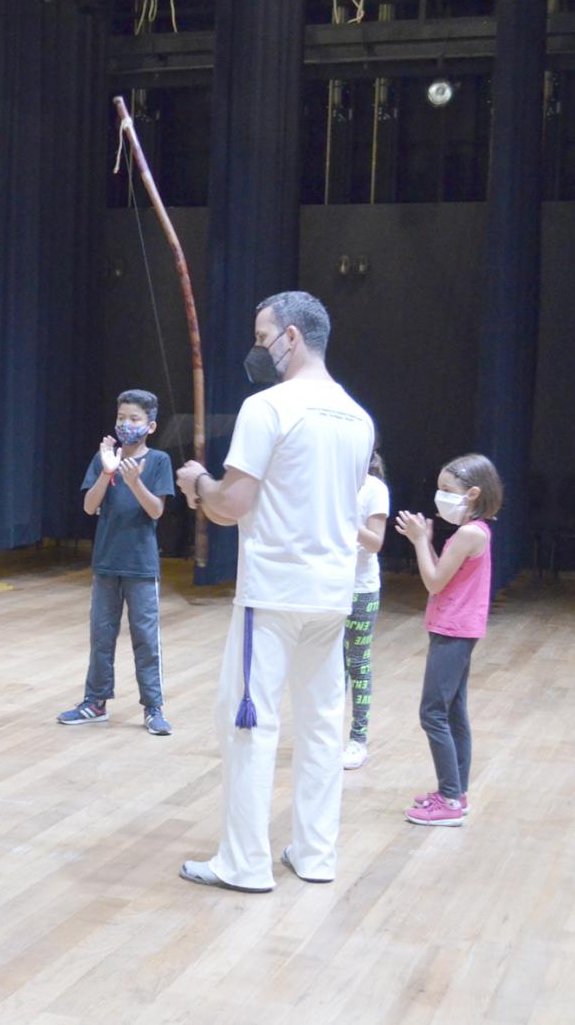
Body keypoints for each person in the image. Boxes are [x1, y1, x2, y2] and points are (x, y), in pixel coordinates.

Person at [175, 291, 373, 891]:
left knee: (248, 726)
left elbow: (233, 506)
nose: (257, 350)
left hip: (273, 591)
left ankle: (244, 862)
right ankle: (315, 855)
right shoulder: (359, 417)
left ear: (291, 336)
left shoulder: (268, 407)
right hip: (334, 592)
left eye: (263, 338)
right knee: (320, 727)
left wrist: (198, 483)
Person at [57, 389, 175, 735]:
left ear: (150, 426)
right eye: (121, 417)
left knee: (145, 638)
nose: (126, 424)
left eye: (134, 419)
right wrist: (108, 473)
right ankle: (95, 702)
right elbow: (89, 507)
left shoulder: (159, 461)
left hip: (142, 567)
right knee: (102, 636)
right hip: (107, 563)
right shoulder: (103, 458)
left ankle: (153, 707)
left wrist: (134, 482)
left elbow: (156, 510)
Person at [395, 453, 501, 827]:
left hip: (453, 629)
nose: (439, 496)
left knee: (433, 713)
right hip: (459, 627)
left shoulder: (469, 533)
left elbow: (434, 580)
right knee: (454, 712)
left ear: (472, 494)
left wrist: (420, 540)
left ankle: (450, 799)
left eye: (447, 490)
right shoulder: (476, 532)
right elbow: (447, 575)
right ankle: (455, 790)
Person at [343, 448, 391, 770]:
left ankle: (358, 738)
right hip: (326, 588)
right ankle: (324, 736)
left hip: (360, 588)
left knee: (357, 662)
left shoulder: (374, 489)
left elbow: (375, 542)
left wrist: (344, 515)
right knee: (328, 667)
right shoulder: (328, 482)